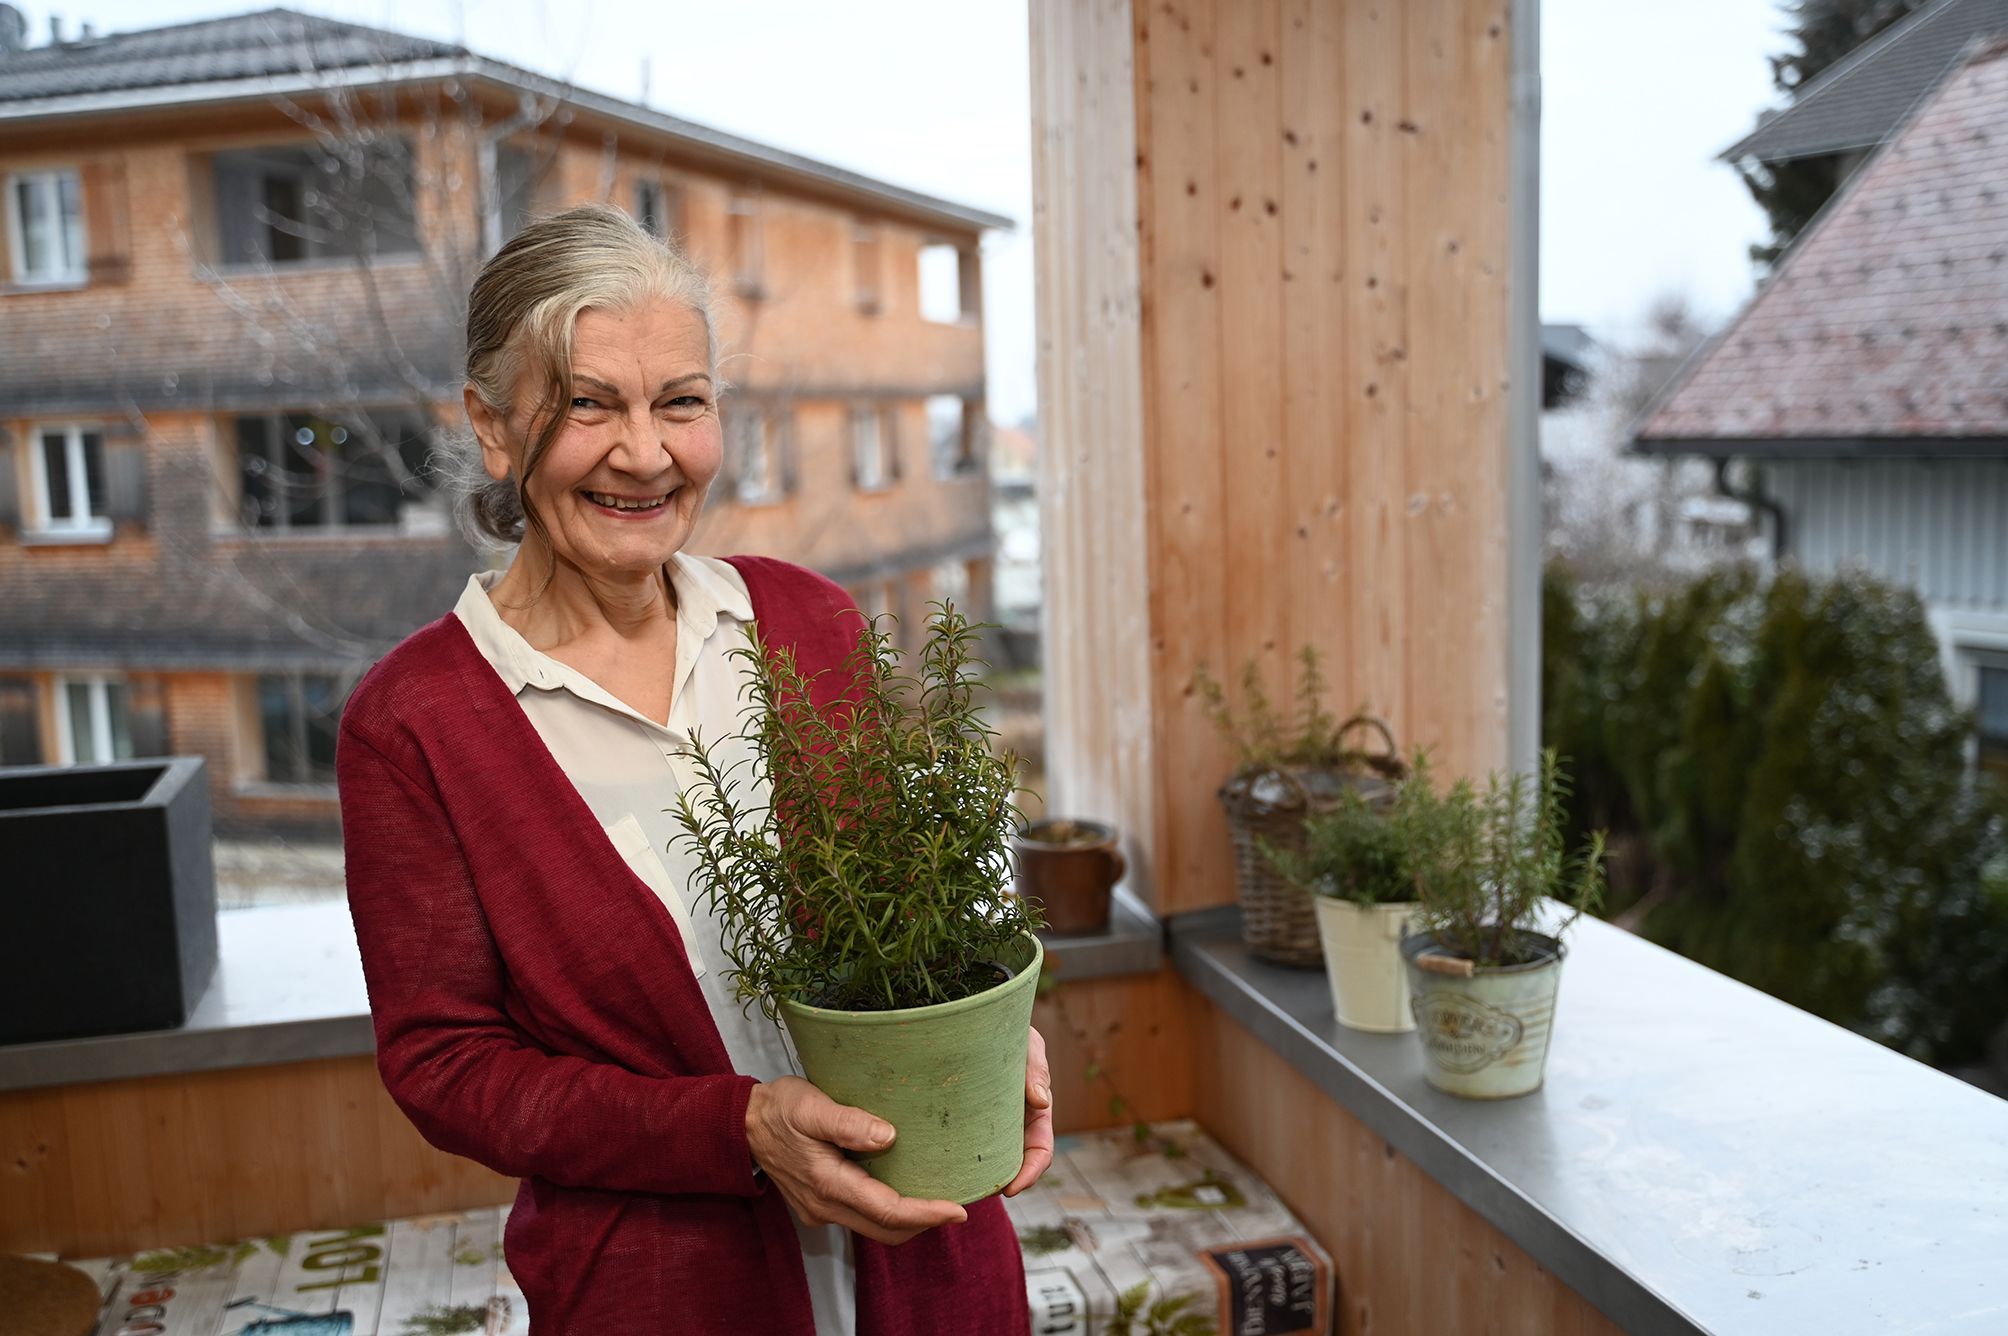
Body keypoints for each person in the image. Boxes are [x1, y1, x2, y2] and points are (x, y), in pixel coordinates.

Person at [336, 203, 1049, 1334]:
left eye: (681, 401)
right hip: (666, 1294)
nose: (645, 454)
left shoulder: (809, 623)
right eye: (586, 404)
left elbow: (919, 920)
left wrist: (986, 1033)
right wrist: (738, 1131)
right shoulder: (414, 724)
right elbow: (446, 1065)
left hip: (936, 1276)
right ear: (492, 427)